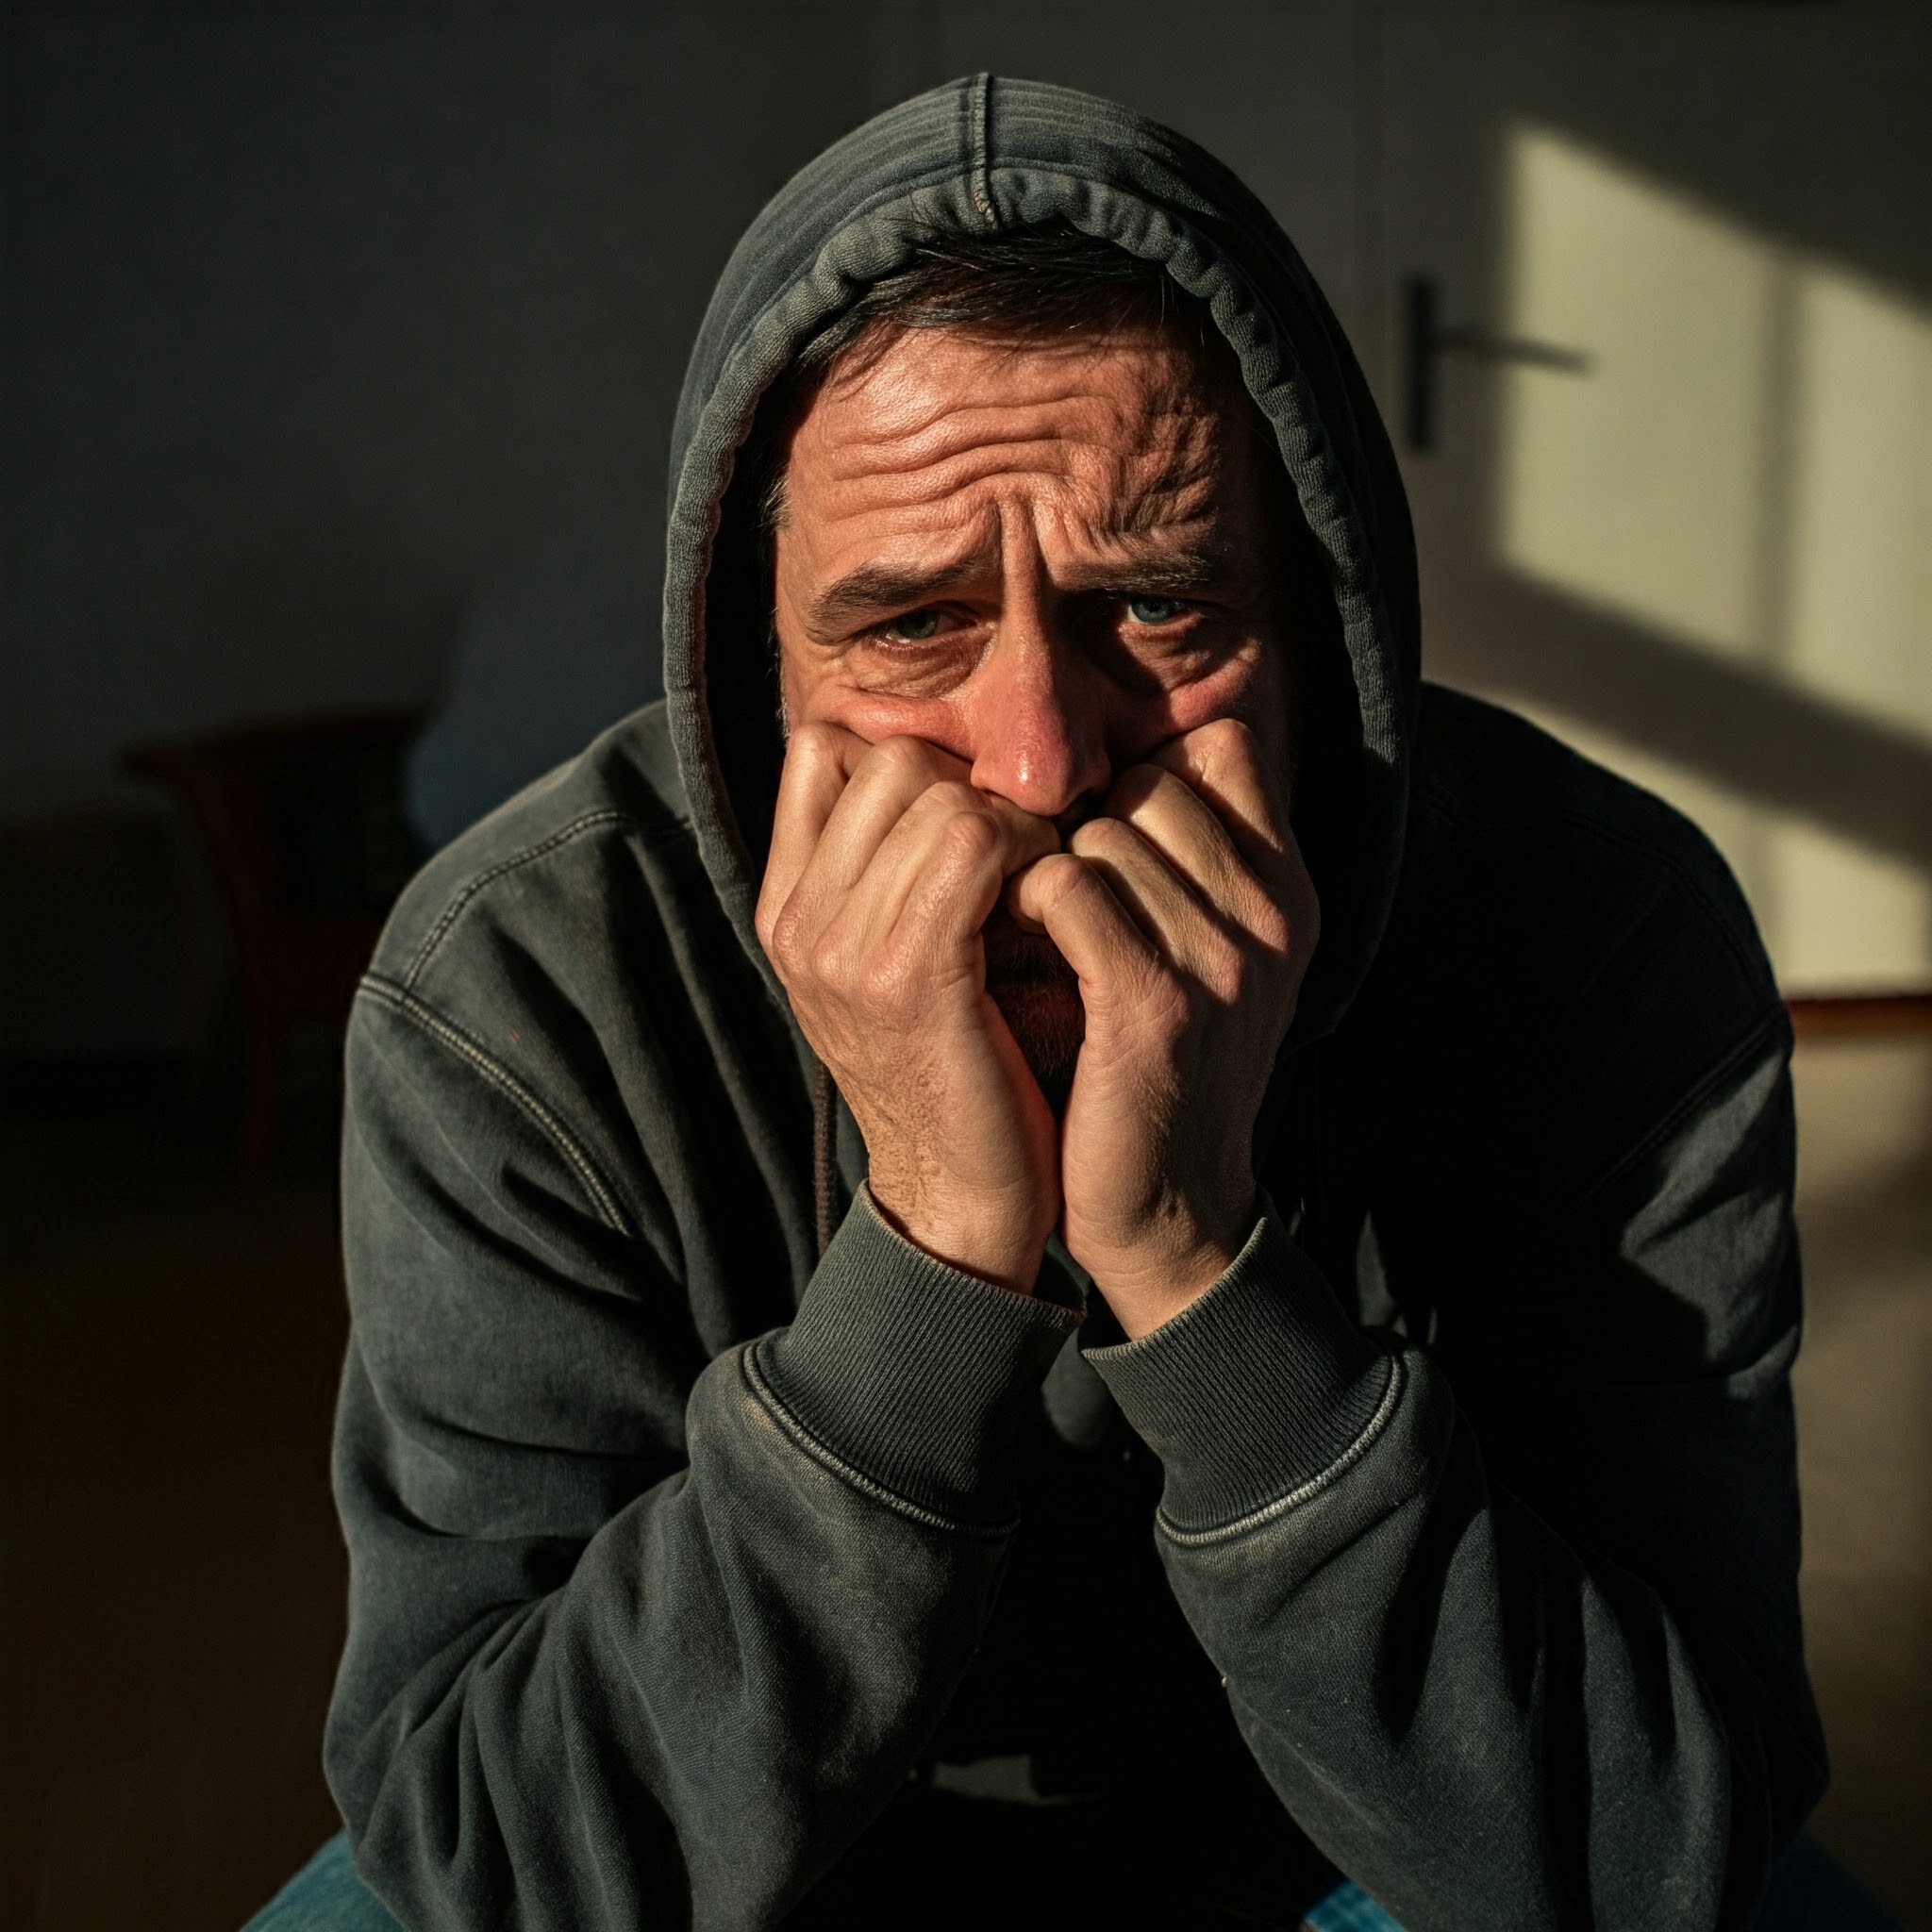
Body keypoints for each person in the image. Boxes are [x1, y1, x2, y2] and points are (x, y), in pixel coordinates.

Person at [323, 76, 1826, 1929]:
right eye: (906, 625)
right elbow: (501, 1863)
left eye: (1159, 606)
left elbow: (1648, 1845)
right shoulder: (516, 991)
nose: (1040, 757)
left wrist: (1195, 1266)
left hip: (1365, 1845)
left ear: (1319, 608)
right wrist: (931, 1263)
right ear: (750, 661)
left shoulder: (1600, 932)